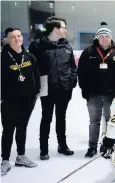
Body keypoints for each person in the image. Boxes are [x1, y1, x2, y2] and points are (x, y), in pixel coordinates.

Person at [29, 16, 78, 160]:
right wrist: (36, 86)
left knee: (61, 118)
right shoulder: (37, 45)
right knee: (46, 118)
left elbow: (72, 66)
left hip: (64, 88)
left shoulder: (66, 45)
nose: (65, 30)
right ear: (56, 29)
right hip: (47, 89)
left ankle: (62, 145)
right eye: (63, 27)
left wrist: (72, 80)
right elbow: (32, 68)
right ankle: (44, 149)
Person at [77, 22, 115, 158]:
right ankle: (92, 147)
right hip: (94, 94)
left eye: (107, 36)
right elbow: (81, 73)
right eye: (101, 36)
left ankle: (108, 146)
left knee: (110, 120)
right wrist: (85, 91)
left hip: (111, 94)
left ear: (111, 38)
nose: (104, 38)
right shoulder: (88, 52)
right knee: (94, 121)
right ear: (97, 37)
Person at [1, 28, 41, 176]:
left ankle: (21, 156)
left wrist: (34, 94)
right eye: (13, 37)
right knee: (8, 130)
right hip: (9, 101)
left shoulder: (29, 56)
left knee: (22, 128)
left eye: (19, 36)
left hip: (27, 100)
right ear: (7, 39)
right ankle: (5, 160)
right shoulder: (3, 58)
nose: (17, 39)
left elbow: (37, 76)